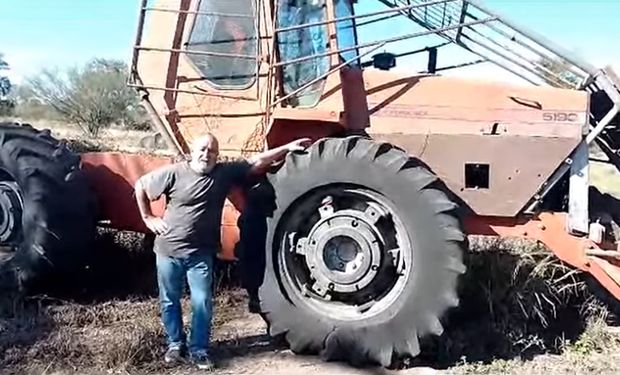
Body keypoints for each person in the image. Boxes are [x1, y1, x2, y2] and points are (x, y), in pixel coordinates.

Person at [134, 133, 310, 370]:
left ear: (217, 155)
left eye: (212, 150)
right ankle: (175, 344)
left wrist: (287, 146)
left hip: (201, 253)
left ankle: (199, 349)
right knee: (169, 301)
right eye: (203, 149)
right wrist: (148, 217)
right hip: (169, 251)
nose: (207, 154)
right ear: (192, 151)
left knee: (202, 301)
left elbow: (256, 162)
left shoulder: (223, 174)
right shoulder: (174, 172)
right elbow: (141, 185)